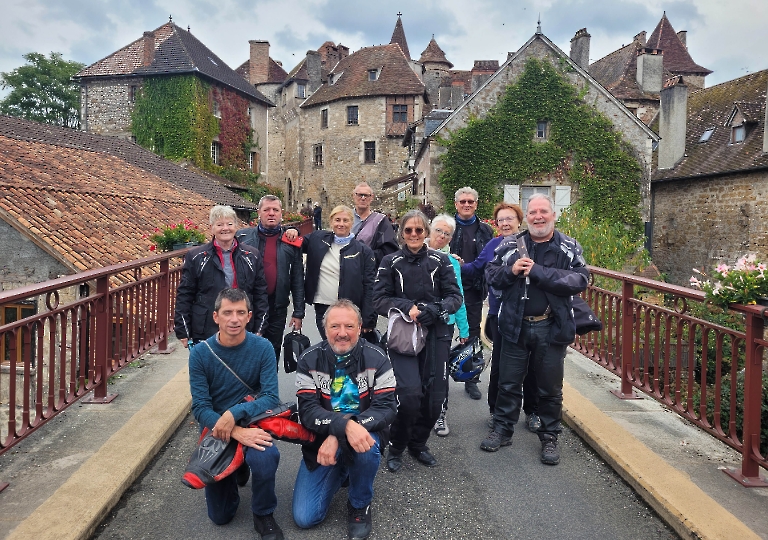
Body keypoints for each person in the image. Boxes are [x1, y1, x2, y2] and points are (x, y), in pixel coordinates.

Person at [482, 194, 588, 465]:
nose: (538, 217)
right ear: (526, 217)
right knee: (508, 382)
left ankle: (549, 437)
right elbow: (490, 275)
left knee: (550, 388)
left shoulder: (568, 246)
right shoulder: (509, 245)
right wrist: (511, 270)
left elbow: (580, 279)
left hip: (551, 326)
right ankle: (503, 430)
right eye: (533, 212)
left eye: (543, 211)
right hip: (514, 325)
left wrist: (538, 272)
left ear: (553, 215)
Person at [293, 299, 397, 540]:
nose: (342, 333)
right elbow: (307, 412)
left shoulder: (378, 358)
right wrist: (344, 428)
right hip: (321, 439)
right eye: (335, 327)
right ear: (324, 328)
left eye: (349, 327)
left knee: (366, 447)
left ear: (360, 328)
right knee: (305, 518)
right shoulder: (308, 360)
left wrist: (347, 430)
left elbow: (387, 408)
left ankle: (360, 504)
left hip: (364, 432)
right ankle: (343, 469)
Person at [188, 288, 283, 539]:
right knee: (221, 517)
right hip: (218, 428)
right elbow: (200, 407)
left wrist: (235, 413)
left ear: (249, 316)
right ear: (216, 317)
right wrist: (234, 430)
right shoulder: (200, 354)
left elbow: (271, 397)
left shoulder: (263, 347)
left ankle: (263, 514)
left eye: (241, 313)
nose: (234, 319)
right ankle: (237, 468)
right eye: (228, 313)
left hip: (253, 421)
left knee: (266, 457)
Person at [374, 210, 463, 470]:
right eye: (409, 230)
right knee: (409, 395)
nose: (414, 234)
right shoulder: (390, 261)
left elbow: (455, 297)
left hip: (437, 332)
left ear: (426, 233)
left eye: (419, 230)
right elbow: (379, 299)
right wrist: (408, 307)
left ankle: (418, 443)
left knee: (435, 397)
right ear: (401, 233)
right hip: (404, 334)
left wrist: (434, 310)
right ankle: (398, 445)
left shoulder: (441, 261)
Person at [461, 202, 541, 432]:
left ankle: (532, 410)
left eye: (509, 219)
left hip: (529, 314)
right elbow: (476, 268)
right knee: (500, 365)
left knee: (532, 366)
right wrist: (456, 264)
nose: (505, 223)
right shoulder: (494, 245)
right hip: (500, 314)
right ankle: (496, 411)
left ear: (519, 221)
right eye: (501, 220)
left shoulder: (531, 245)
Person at [174, 205, 269, 348]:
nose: (225, 228)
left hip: (242, 325)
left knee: (240, 368)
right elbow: (185, 294)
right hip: (206, 327)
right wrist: (183, 330)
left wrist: (260, 327)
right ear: (212, 228)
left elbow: (260, 293)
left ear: (236, 226)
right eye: (220, 224)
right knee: (208, 368)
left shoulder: (252, 256)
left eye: (229, 224)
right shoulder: (196, 257)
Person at [235, 195, 305, 366]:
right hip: (248, 305)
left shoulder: (291, 241)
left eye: (275, 210)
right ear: (259, 213)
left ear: (282, 214)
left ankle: (268, 390)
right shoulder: (242, 237)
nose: (271, 213)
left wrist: (298, 312)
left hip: (277, 306)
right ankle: (249, 390)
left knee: (272, 351)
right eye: (267, 210)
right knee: (245, 350)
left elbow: (297, 277)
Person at [303, 205, 377, 339]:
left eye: (345, 220)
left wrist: (368, 318)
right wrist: (291, 230)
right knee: (329, 345)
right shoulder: (317, 239)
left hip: (350, 309)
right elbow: (296, 242)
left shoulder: (363, 251)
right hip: (323, 306)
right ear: (331, 222)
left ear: (351, 223)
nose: (341, 224)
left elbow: (369, 286)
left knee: (347, 346)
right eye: (337, 220)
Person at [425, 214, 469, 438]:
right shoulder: (414, 253)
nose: (441, 236)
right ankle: (418, 412)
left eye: (447, 233)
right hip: (417, 322)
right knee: (418, 369)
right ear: (430, 230)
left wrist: (465, 329)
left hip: (444, 323)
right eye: (438, 230)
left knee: (440, 371)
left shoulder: (452, 262)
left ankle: (439, 413)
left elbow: (457, 295)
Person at [449, 187, 494, 400]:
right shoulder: (447, 227)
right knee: (444, 332)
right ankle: (438, 378)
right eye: (463, 201)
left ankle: (471, 378)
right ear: (456, 204)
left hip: (474, 290)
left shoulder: (485, 230)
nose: (466, 204)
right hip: (448, 289)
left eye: (471, 201)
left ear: (476, 204)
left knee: (472, 335)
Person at [351, 182, 399, 265]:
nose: (363, 198)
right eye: (360, 195)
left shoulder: (381, 221)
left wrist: (364, 255)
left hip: (370, 271)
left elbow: (389, 251)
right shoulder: (345, 219)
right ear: (354, 196)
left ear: (372, 197)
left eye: (366, 195)